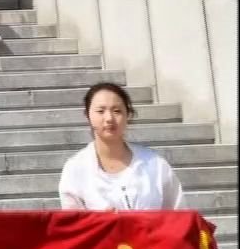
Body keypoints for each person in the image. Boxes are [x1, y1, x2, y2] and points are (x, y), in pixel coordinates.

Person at [58, 82, 185, 210]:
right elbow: (72, 224)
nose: (109, 118)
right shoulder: (75, 168)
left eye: (117, 111)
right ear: (88, 115)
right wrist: (99, 222)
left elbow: (179, 215)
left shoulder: (155, 165)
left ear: (128, 115)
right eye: (100, 111)